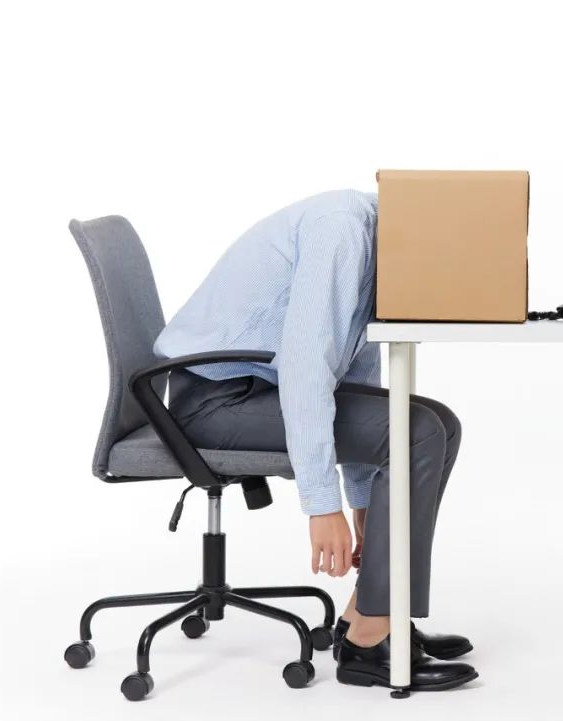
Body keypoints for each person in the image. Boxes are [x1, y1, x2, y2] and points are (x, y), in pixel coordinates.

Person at [154, 189, 477, 692]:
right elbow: (306, 367)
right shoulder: (343, 231)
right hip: (215, 402)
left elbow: (357, 371)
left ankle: (370, 613)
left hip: (256, 390)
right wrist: (323, 504)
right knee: (416, 433)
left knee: (440, 424)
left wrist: (363, 501)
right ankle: (371, 640)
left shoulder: (376, 241)